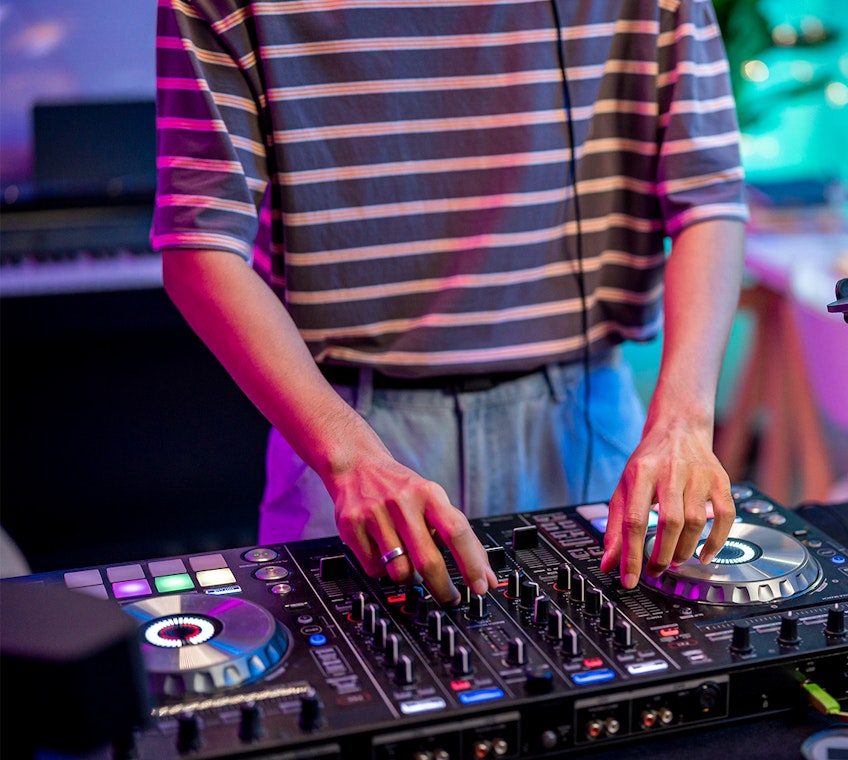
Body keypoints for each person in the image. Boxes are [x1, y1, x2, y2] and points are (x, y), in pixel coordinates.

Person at [153, 0, 747, 605]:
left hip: (584, 420)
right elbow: (199, 243)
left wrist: (683, 420)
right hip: (349, 437)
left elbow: (710, 198)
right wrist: (348, 459)